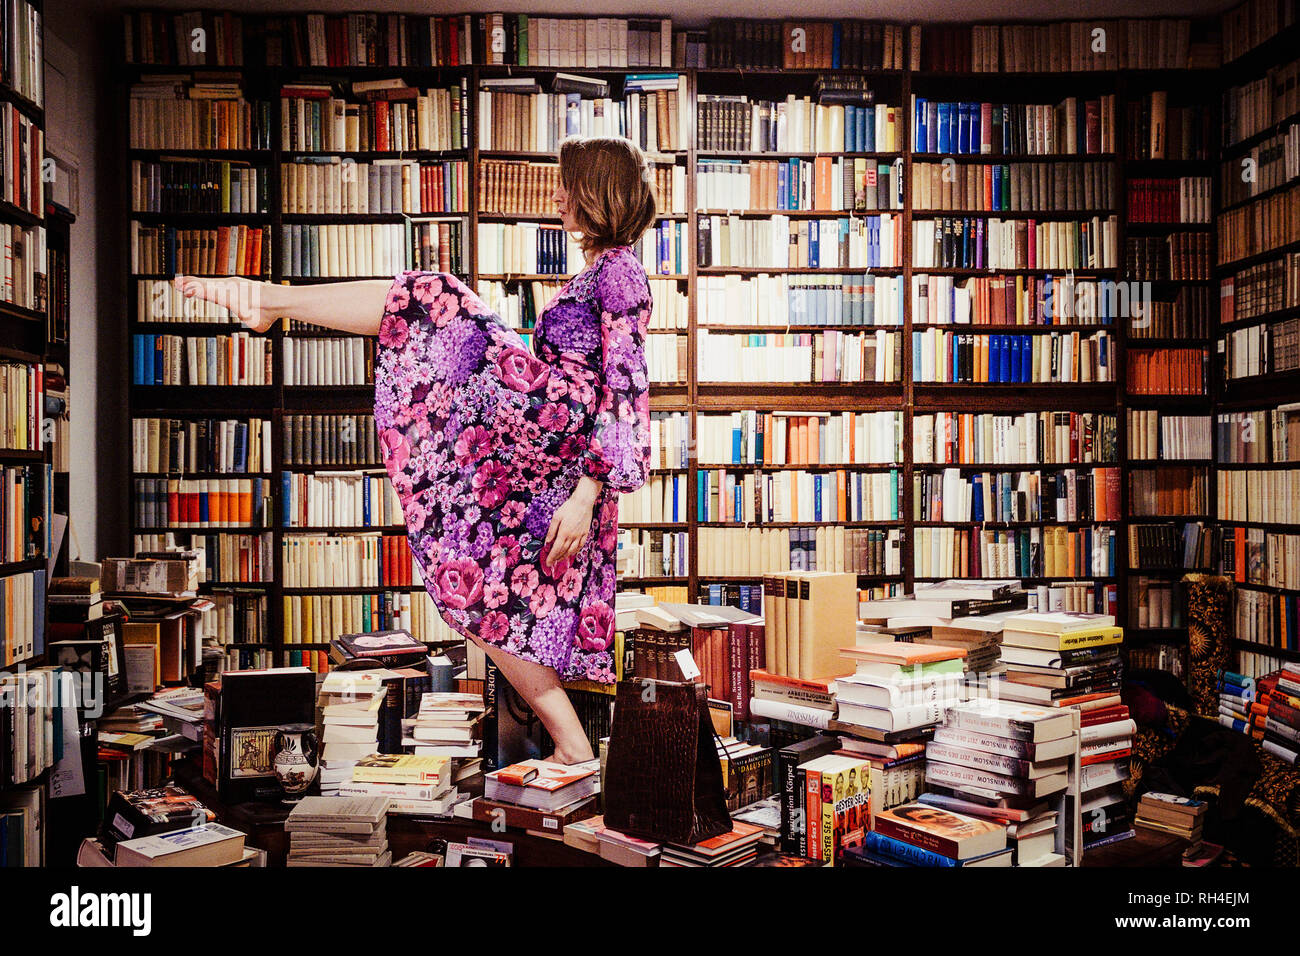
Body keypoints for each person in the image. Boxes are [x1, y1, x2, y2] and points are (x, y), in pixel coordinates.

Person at [175, 134, 657, 766]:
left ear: (595, 190)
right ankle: (573, 745)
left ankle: (272, 299)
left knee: (432, 295)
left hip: (558, 426)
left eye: (567, 183)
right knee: (493, 593)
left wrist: (589, 492)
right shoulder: (602, 271)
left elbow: (627, 385)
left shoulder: (620, 272)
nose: (557, 195)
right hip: (550, 429)